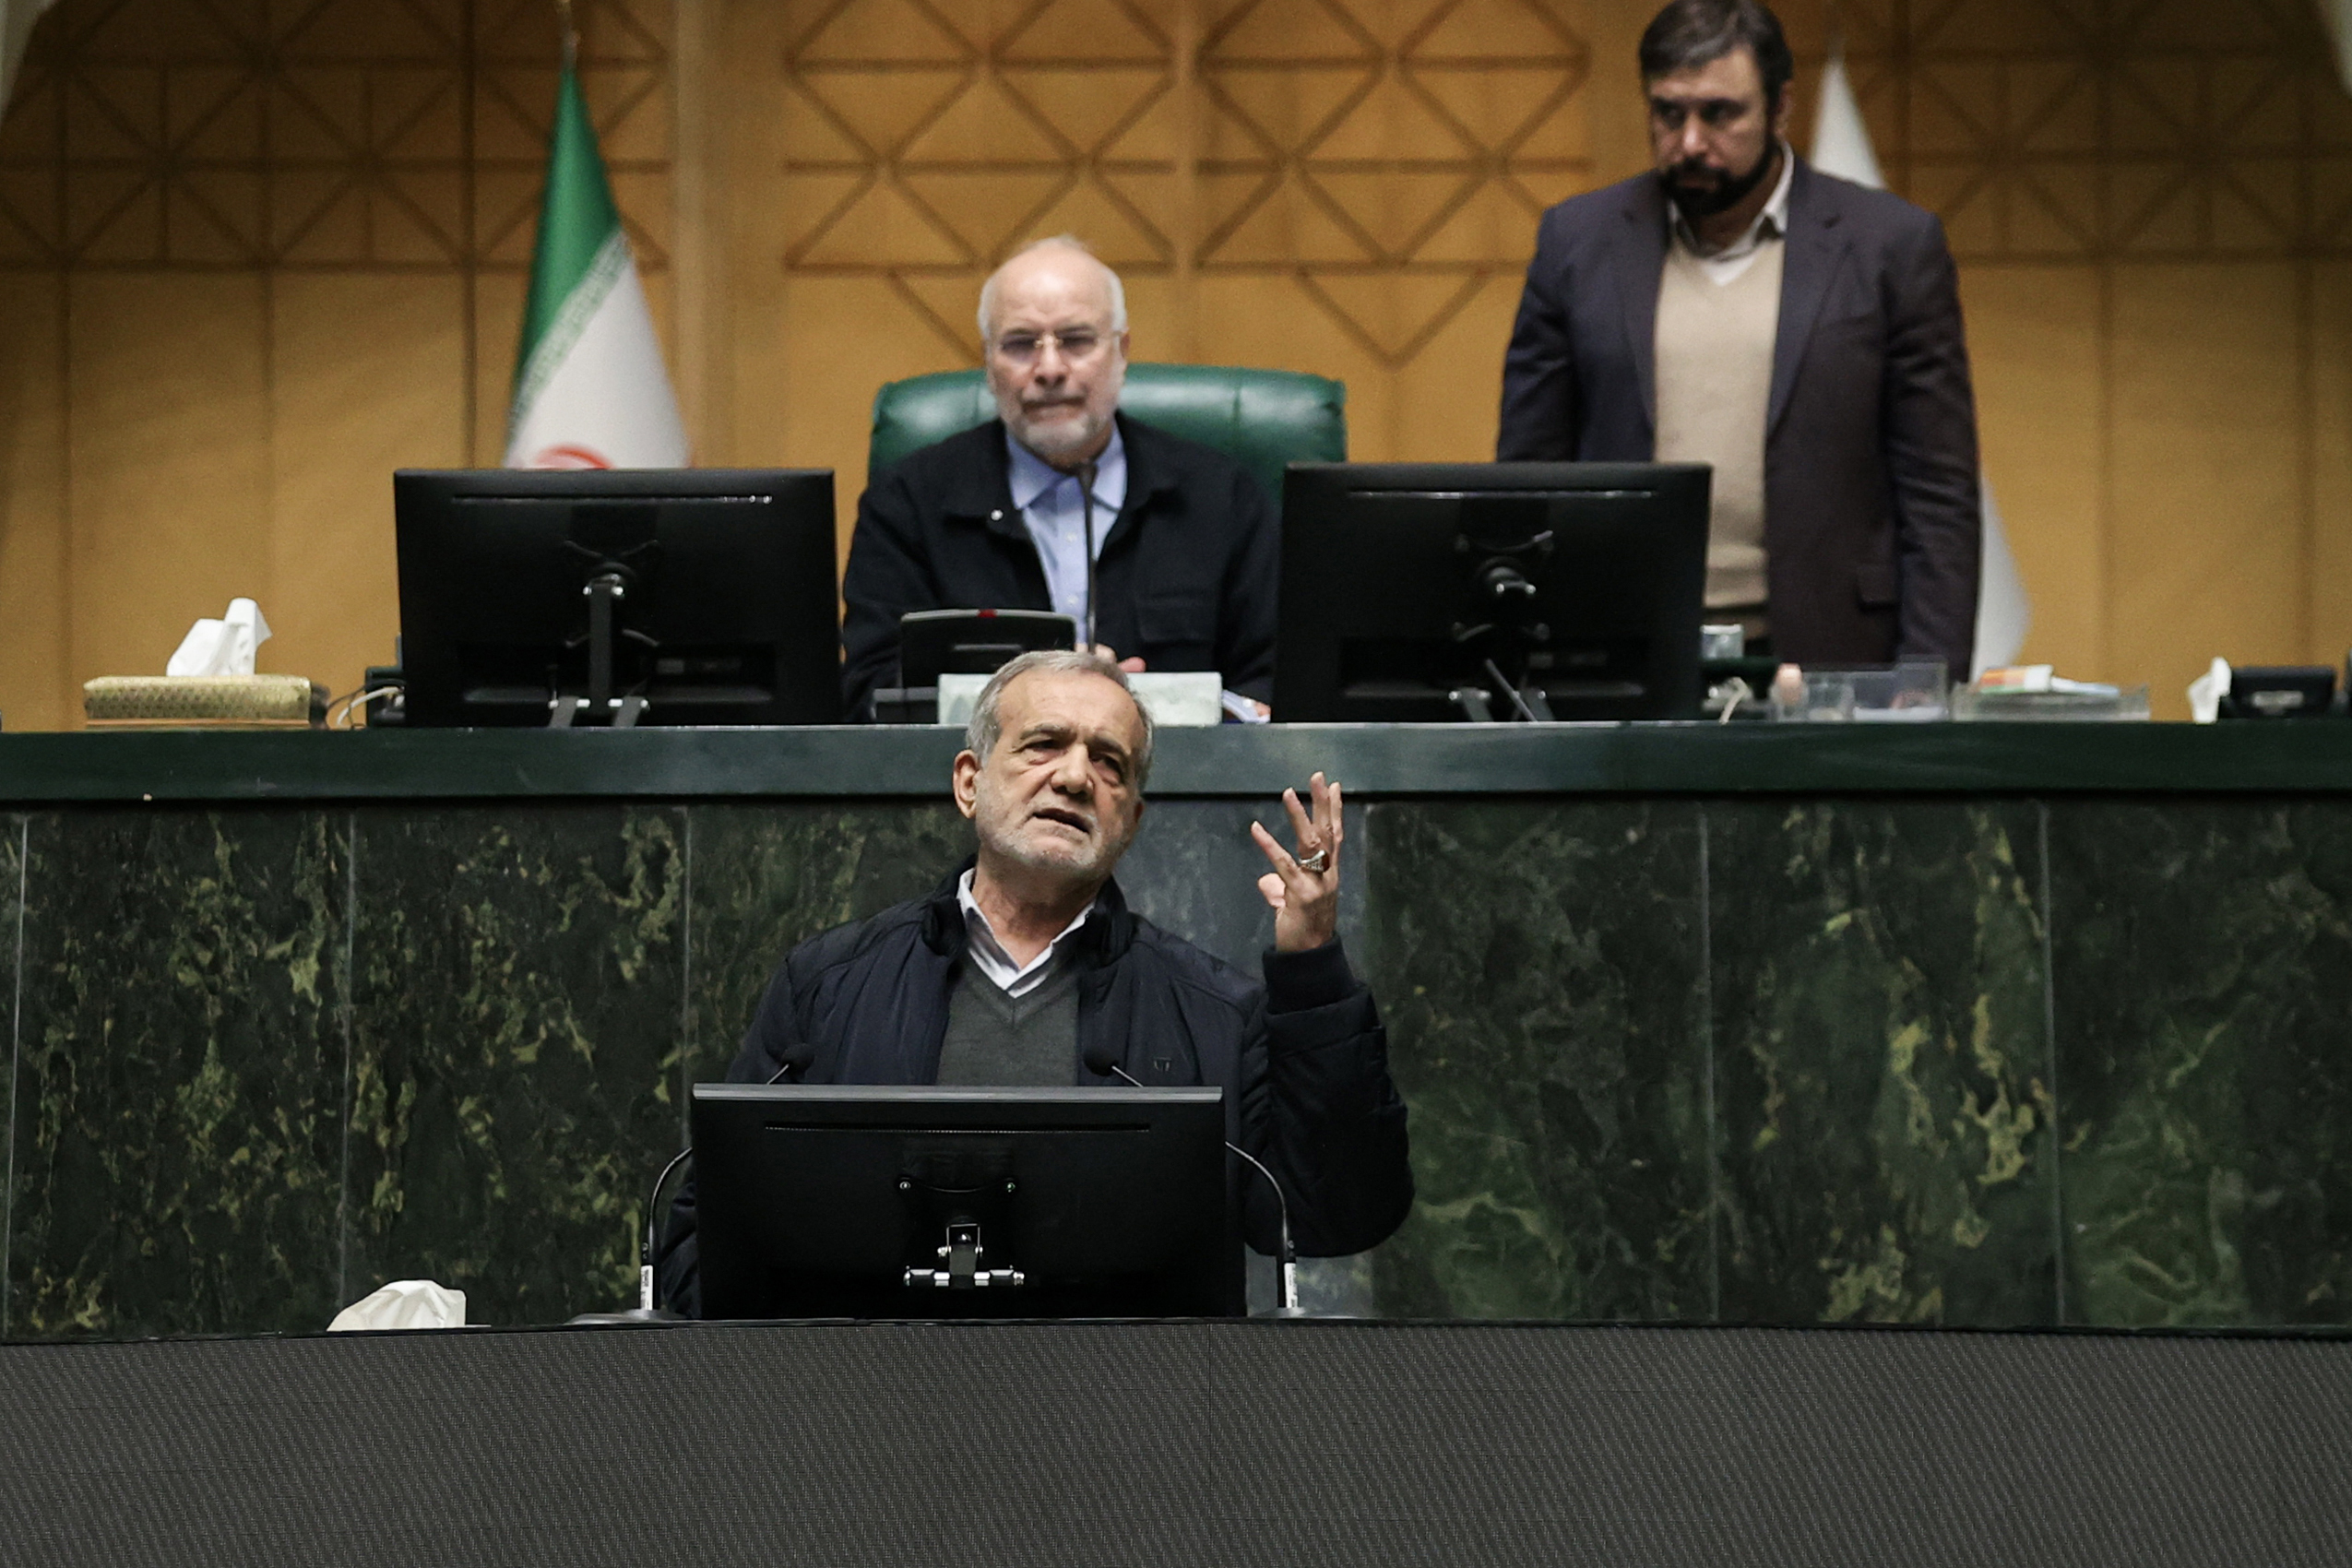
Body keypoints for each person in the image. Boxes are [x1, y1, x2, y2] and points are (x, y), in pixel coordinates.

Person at [657, 648, 1412, 1313]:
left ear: (1134, 819)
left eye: (1109, 763)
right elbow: (705, 1244)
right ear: (969, 782)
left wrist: (1312, 965)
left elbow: (1333, 1217)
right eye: (1044, 744)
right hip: (873, 1425)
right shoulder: (828, 986)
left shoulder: (1214, 1012)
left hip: (1127, 1436)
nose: (1077, 776)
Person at [1496, 0, 1980, 676]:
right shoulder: (1577, 243)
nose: (1690, 141)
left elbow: (1938, 492)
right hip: (1620, 654)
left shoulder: (1890, 247)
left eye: (1720, 114)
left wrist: (1927, 680)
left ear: (1781, 108)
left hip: (1832, 653)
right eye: (1668, 113)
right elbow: (1525, 480)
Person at [838, 236, 1278, 720]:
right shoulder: (908, 503)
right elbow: (871, 695)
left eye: (1076, 340)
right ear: (988, 362)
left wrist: (1141, 705)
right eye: (1021, 344)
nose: (1049, 368)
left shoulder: (1221, 497)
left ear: (1121, 351)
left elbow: (1273, 682)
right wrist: (1037, 697)